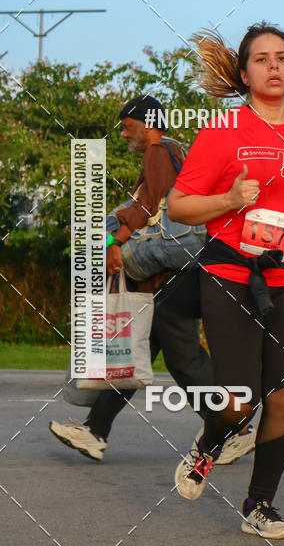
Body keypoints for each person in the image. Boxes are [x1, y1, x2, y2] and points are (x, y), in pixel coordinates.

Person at [167, 23, 284, 539]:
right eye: (262, 59)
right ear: (244, 72)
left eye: (283, 58)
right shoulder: (223, 131)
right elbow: (180, 206)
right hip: (230, 275)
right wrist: (228, 201)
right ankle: (208, 445)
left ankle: (259, 505)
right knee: (241, 399)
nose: (274, 66)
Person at [49, 96, 253, 465]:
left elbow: (147, 204)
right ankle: (95, 430)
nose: (126, 133)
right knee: (133, 351)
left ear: (147, 124)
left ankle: (234, 429)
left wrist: (114, 239)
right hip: (171, 275)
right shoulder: (176, 150)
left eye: (128, 126)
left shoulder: (159, 152)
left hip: (175, 275)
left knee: (186, 361)